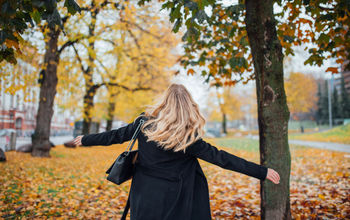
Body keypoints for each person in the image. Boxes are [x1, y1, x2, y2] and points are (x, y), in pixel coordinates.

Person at [73, 83, 280, 220]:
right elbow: (222, 158)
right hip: (176, 200)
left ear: (165, 103)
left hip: (144, 196)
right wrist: (261, 172)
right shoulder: (188, 140)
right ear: (188, 107)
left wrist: (85, 139)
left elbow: (113, 136)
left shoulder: (143, 125)